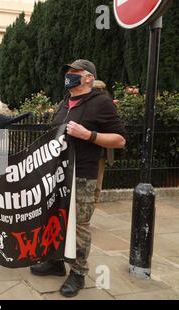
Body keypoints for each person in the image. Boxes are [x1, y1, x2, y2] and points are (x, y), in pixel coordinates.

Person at [29, 59, 126, 297]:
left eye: (75, 72)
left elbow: (120, 139)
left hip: (83, 174)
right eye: (68, 72)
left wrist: (89, 135)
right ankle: (55, 262)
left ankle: (78, 273)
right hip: (58, 175)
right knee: (56, 218)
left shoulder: (101, 103)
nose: (69, 75)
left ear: (89, 77)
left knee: (78, 226)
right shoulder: (64, 103)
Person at [92, 80, 115, 203]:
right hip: (91, 150)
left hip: (101, 150)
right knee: (94, 185)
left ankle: (91, 207)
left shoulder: (106, 104)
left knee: (96, 185)